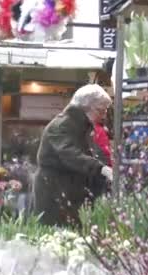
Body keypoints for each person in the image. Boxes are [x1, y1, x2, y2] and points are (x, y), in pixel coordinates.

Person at [33, 84, 114, 228]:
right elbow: (71, 155)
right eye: (101, 111)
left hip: (68, 192)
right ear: (86, 107)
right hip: (54, 193)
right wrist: (101, 169)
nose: (104, 116)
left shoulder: (80, 126)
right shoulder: (61, 126)